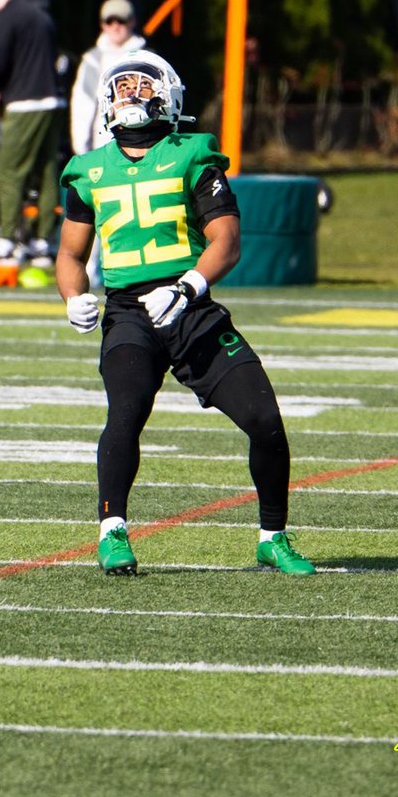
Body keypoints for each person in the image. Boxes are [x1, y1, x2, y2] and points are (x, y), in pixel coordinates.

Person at [55, 48, 316, 577]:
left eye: (143, 85)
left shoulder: (192, 154)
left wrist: (187, 287)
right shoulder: (89, 170)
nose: (131, 94)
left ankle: (272, 537)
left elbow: (227, 241)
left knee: (264, 420)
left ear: (170, 96)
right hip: (129, 313)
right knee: (125, 413)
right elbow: (70, 255)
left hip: (191, 308)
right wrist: (74, 296)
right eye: (123, 86)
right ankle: (112, 532)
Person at [0, 0, 66, 267]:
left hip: (26, 105)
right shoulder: (39, 16)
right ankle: (43, 242)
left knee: (8, 169)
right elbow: (35, 61)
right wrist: (5, 89)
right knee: (46, 169)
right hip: (53, 100)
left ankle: (7, 239)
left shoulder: (7, 18)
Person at [68, 0, 146, 286]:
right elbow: (82, 103)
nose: (115, 27)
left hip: (140, 142)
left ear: (131, 22)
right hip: (102, 145)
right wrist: (81, 145)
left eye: (121, 21)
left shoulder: (144, 57)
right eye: (109, 21)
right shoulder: (93, 59)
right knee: (97, 208)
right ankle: (90, 268)